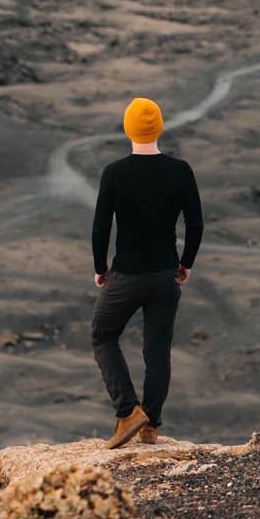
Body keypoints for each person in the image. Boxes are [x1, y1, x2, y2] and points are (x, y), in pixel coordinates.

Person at [90, 96, 203, 447]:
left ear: (128, 129)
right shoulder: (180, 171)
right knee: (157, 349)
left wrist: (100, 268)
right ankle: (151, 425)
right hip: (165, 276)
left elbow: (100, 228)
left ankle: (127, 412)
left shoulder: (115, 172)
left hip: (126, 275)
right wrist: (185, 264)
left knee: (103, 336)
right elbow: (196, 224)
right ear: (159, 127)